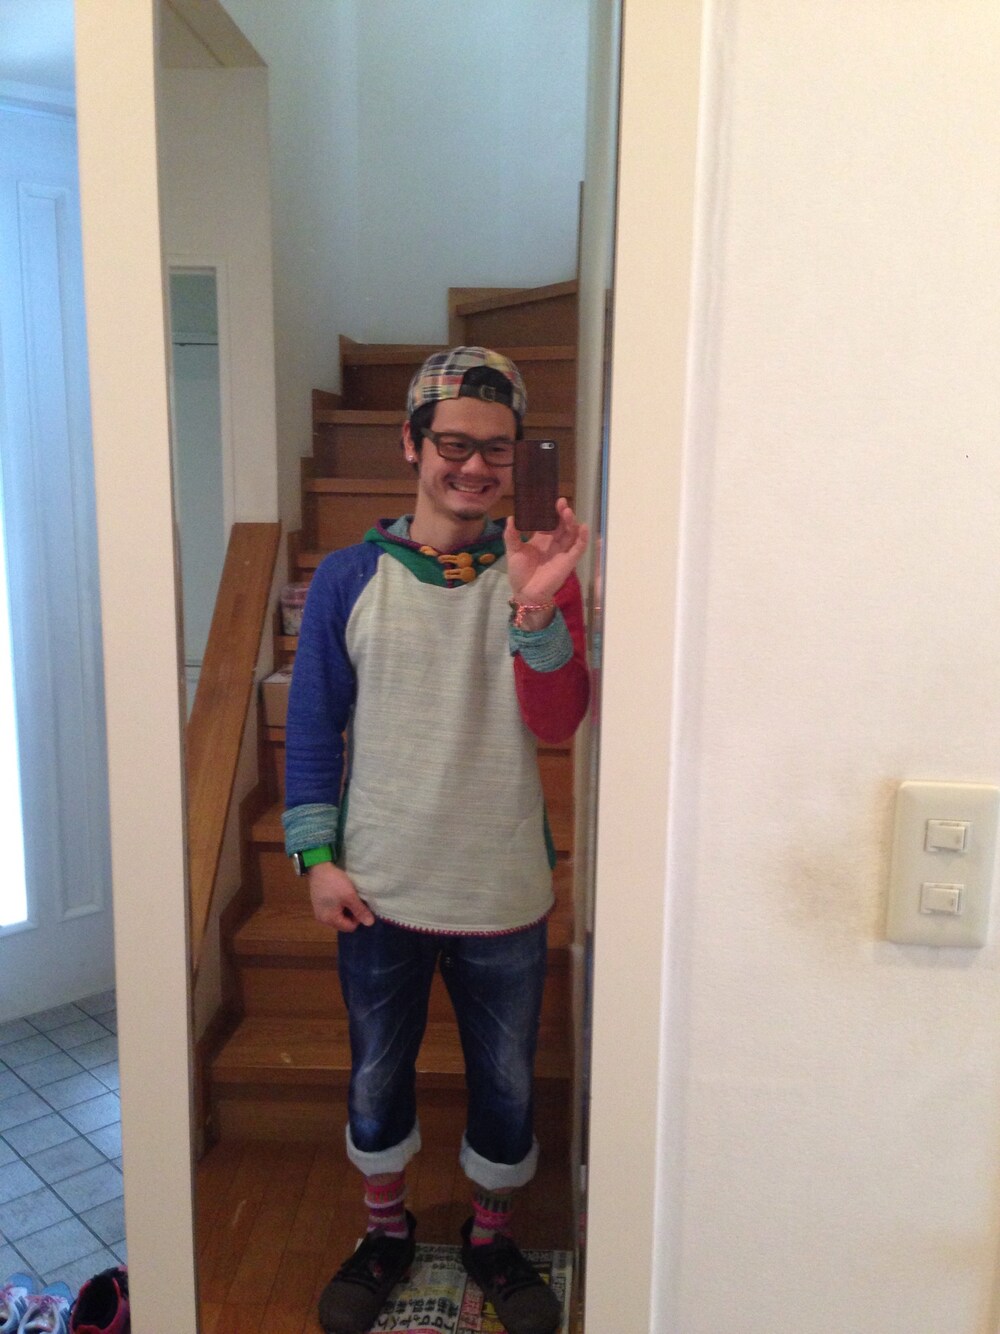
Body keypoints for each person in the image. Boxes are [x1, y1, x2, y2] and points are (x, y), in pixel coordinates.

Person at [283, 346, 589, 1334]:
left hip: (501, 887)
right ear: (412, 443)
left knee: (505, 1078)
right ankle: (385, 1231)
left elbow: (557, 720)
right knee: (378, 1072)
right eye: (454, 443)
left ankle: (492, 1237)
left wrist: (537, 600)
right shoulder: (348, 578)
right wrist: (315, 858)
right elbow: (314, 724)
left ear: (518, 457)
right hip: (379, 888)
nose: (475, 466)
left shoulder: (539, 572)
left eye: (497, 448)